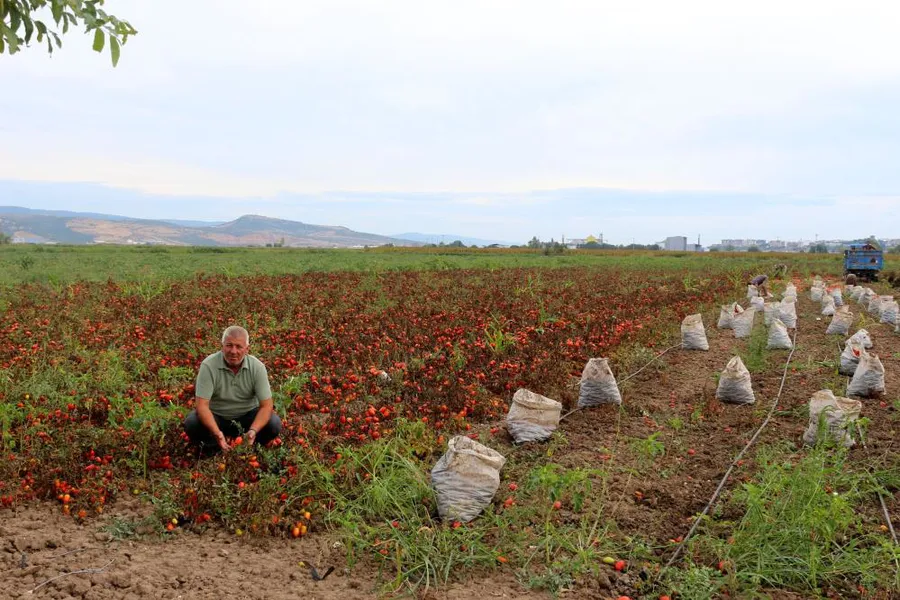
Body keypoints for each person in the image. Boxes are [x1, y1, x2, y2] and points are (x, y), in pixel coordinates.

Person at [183, 325, 282, 453]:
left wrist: (253, 430)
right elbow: (202, 405)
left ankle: (250, 444)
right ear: (222, 346)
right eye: (229, 345)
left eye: (239, 346)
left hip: (247, 418)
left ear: (247, 349)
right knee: (192, 423)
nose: (233, 351)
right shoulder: (208, 366)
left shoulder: (257, 367)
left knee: (273, 424)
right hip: (217, 418)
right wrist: (217, 432)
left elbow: (266, 406)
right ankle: (215, 447)